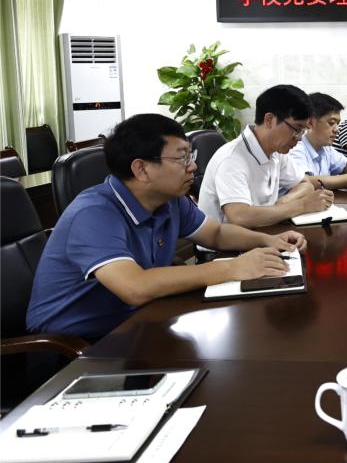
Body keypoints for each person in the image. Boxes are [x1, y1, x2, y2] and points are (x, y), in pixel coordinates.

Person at [26, 114, 305, 340]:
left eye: (191, 155)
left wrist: (269, 240)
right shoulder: (93, 213)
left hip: (138, 322)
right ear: (141, 169)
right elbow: (134, 287)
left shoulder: (169, 200)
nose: (192, 166)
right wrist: (232, 268)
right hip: (76, 346)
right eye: (182, 158)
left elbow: (216, 234)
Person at [199, 84, 333, 228]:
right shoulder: (231, 158)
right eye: (296, 129)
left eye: (303, 131)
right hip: (226, 241)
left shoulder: (277, 151)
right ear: (269, 120)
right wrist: (302, 205)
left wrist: (283, 203)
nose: (299, 138)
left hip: (263, 231)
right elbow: (239, 217)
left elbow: (305, 184)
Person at [289, 92, 347, 189]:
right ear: (310, 123)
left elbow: (345, 164)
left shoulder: (326, 148)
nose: (336, 129)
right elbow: (306, 181)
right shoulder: (296, 149)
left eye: (337, 123)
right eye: (331, 123)